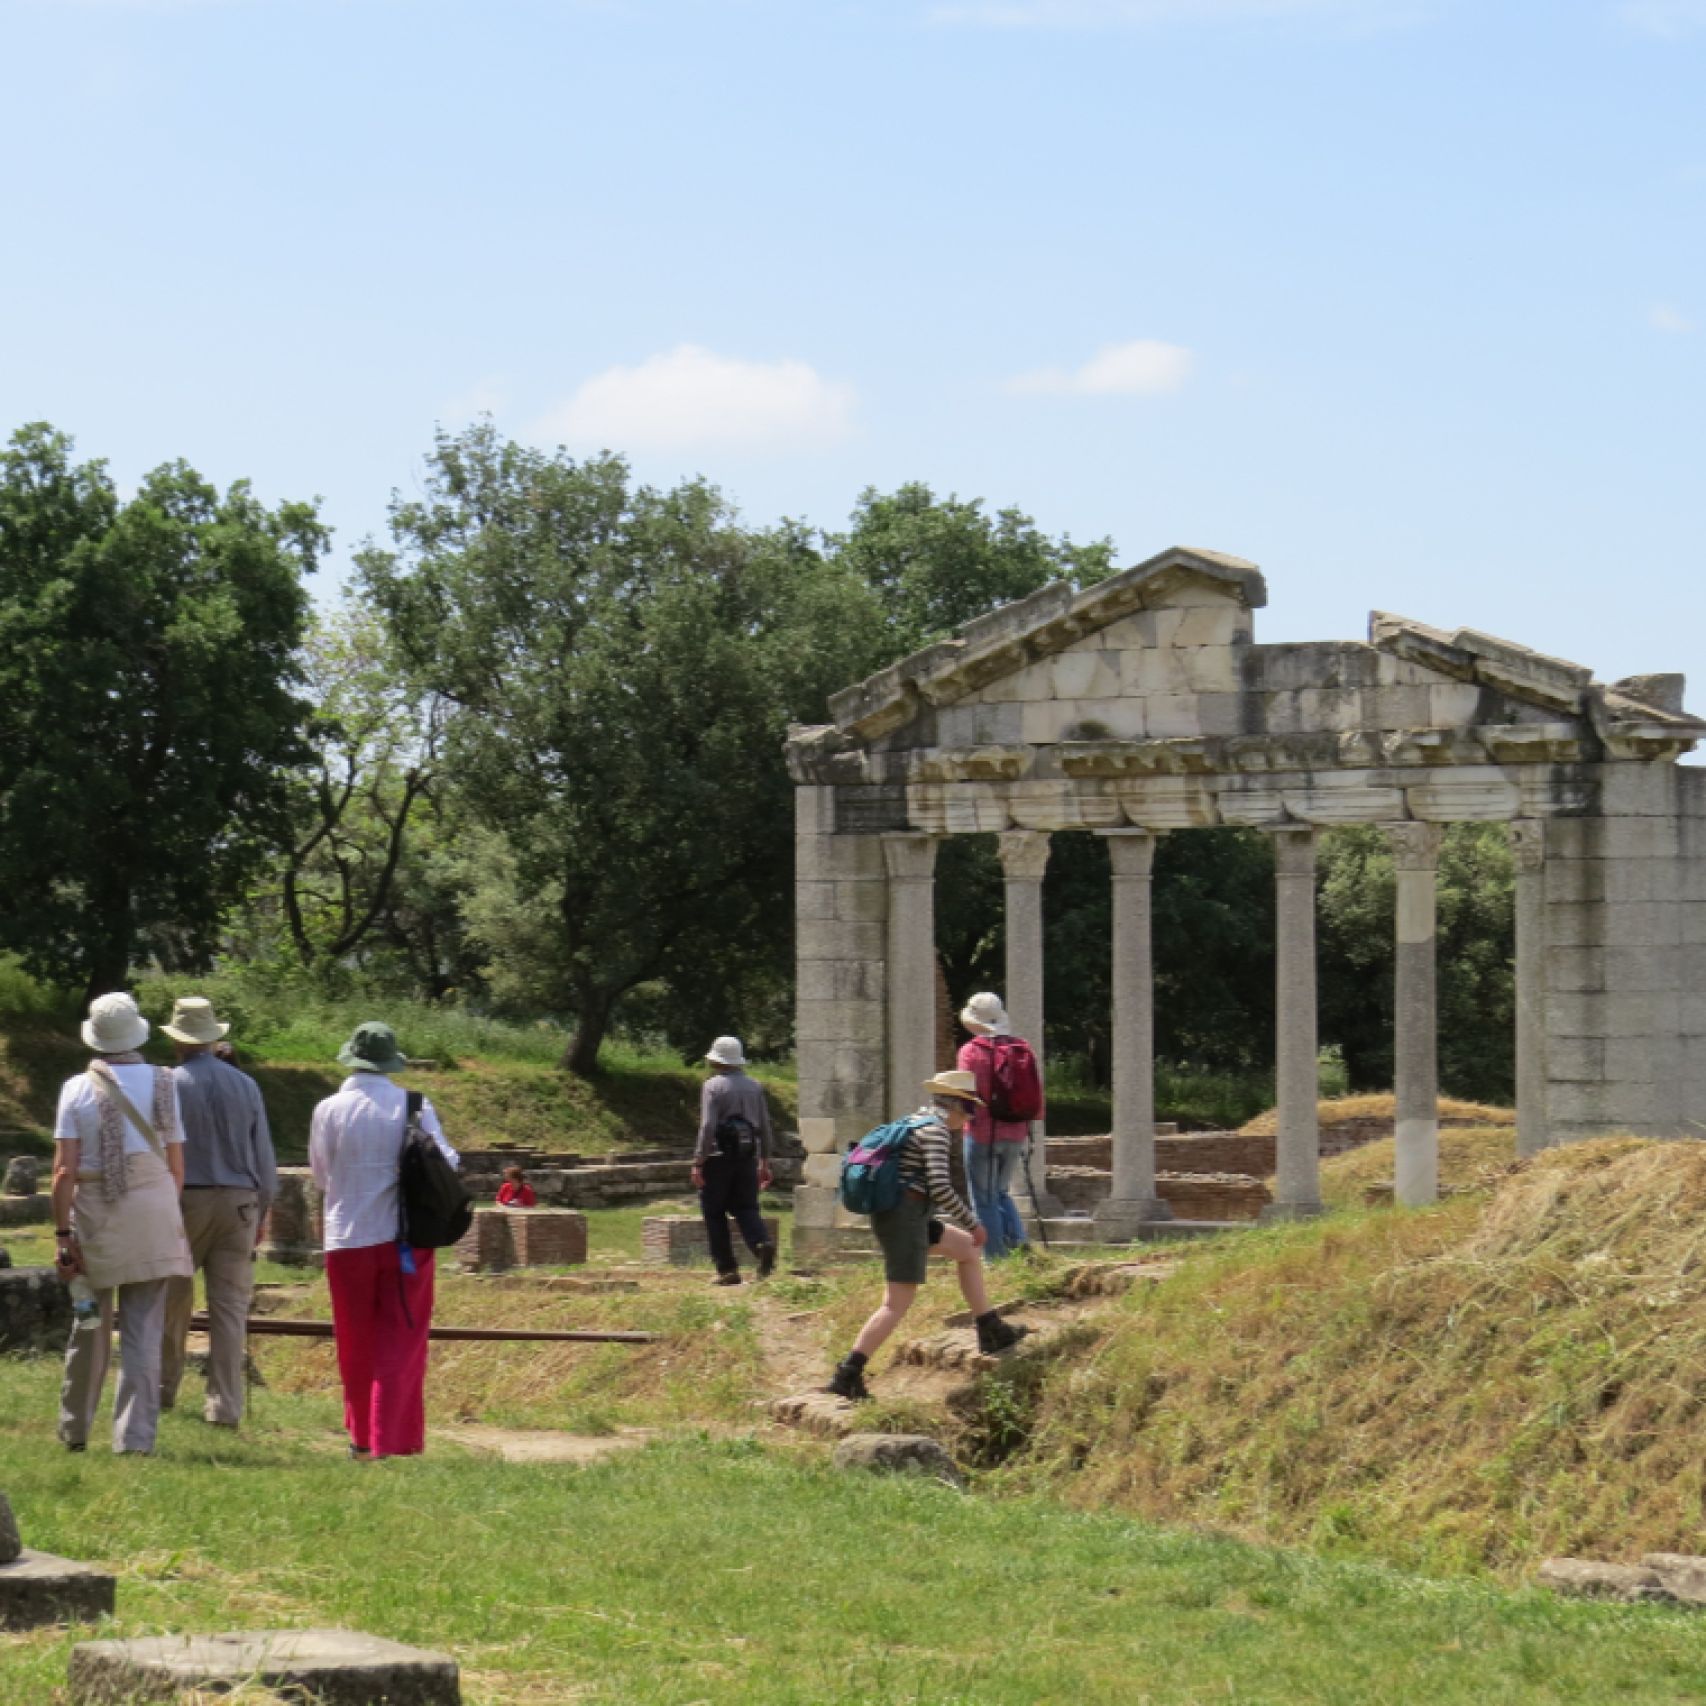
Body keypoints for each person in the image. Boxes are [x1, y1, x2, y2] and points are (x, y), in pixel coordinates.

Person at [308, 1021, 458, 1460]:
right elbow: (449, 1160)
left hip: (347, 1238)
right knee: (402, 1338)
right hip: (404, 1239)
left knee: (355, 1340)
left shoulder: (328, 1109)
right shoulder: (413, 1105)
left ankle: (359, 1438)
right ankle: (390, 1438)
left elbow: (321, 1175)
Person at [50, 992, 193, 1454]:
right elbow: (176, 1164)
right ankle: (134, 1438)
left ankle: (75, 1428)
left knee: (90, 1322)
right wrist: (162, 1212)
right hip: (152, 1209)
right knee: (144, 1330)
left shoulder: (76, 1088)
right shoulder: (165, 1083)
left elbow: (63, 1172)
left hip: (98, 1214)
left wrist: (63, 1235)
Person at [827, 1070, 1022, 1403]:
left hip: (910, 1215)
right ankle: (848, 1374)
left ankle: (990, 1328)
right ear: (955, 1107)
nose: (970, 1118)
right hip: (905, 1220)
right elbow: (940, 1186)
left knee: (967, 1251)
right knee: (895, 1304)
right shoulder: (935, 1133)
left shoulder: (915, 1122)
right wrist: (973, 1221)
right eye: (969, 1109)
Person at [159, 996, 277, 1429]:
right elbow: (264, 1157)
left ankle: (163, 1389)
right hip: (240, 1199)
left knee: (173, 1297)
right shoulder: (246, 1085)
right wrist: (262, 1210)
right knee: (229, 1308)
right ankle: (225, 1405)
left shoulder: (167, 1084)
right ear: (213, 1038)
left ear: (176, 1041)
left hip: (185, 1199)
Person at [955, 991, 1040, 1260]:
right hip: (1016, 1131)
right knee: (1001, 1192)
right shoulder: (1023, 1048)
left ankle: (995, 1259)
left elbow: (967, 1096)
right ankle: (1019, 1246)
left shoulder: (971, 1052)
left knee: (983, 1198)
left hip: (982, 1133)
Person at [691, 1036, 777, 1286]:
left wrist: (698, 1160)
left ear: (716, 1060)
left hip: (717, 1158)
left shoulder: (712, 1087)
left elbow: (707, 1126)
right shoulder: (754, 1086)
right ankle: (761, 1244)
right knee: (747, 1207)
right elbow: (764, 1126)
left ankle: (727, 1269)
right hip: (747, 1157)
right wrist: (764, 1160)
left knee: (714, 1212)